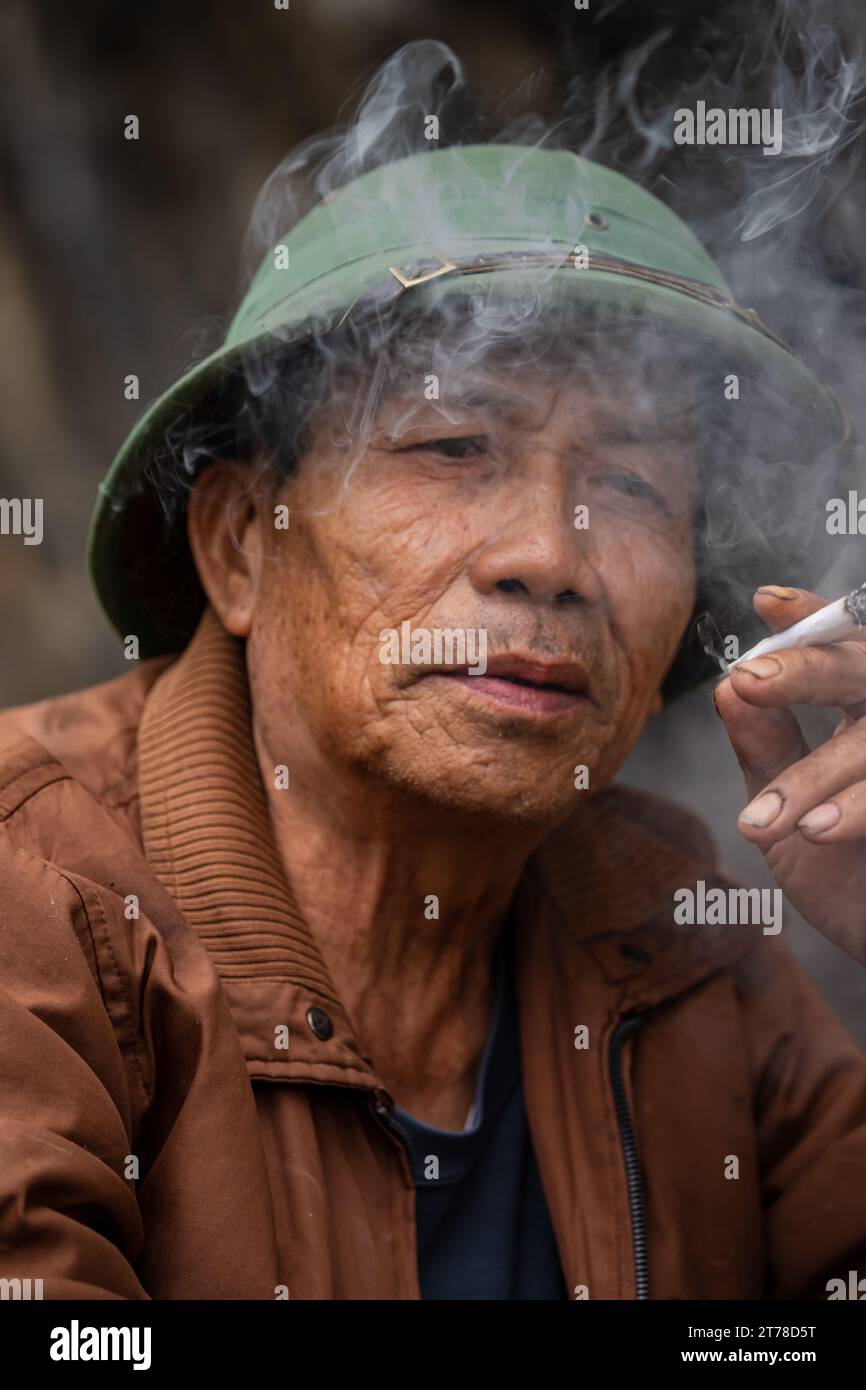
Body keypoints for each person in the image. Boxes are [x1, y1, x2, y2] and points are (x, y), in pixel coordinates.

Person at [2, 63, 865, 1301]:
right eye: (452, 446)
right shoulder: (32, 898)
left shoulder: (669, 937)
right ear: (242, 542)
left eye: (628, 484)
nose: (549, 558)